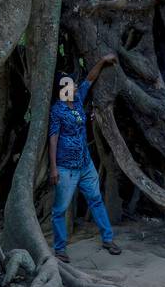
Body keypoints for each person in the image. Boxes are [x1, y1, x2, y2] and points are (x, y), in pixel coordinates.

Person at [48, 53, 121, 262]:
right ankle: (60, 249)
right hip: (66, 168)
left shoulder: (78, 98)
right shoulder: (57, 110)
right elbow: (53, 139)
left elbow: (90, 78)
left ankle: (108, 239)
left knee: (96, 200)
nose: (73, 86)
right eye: (69, 85)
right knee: (60, 209)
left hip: (85, 163)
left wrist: (103, 60)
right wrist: (53, 168)